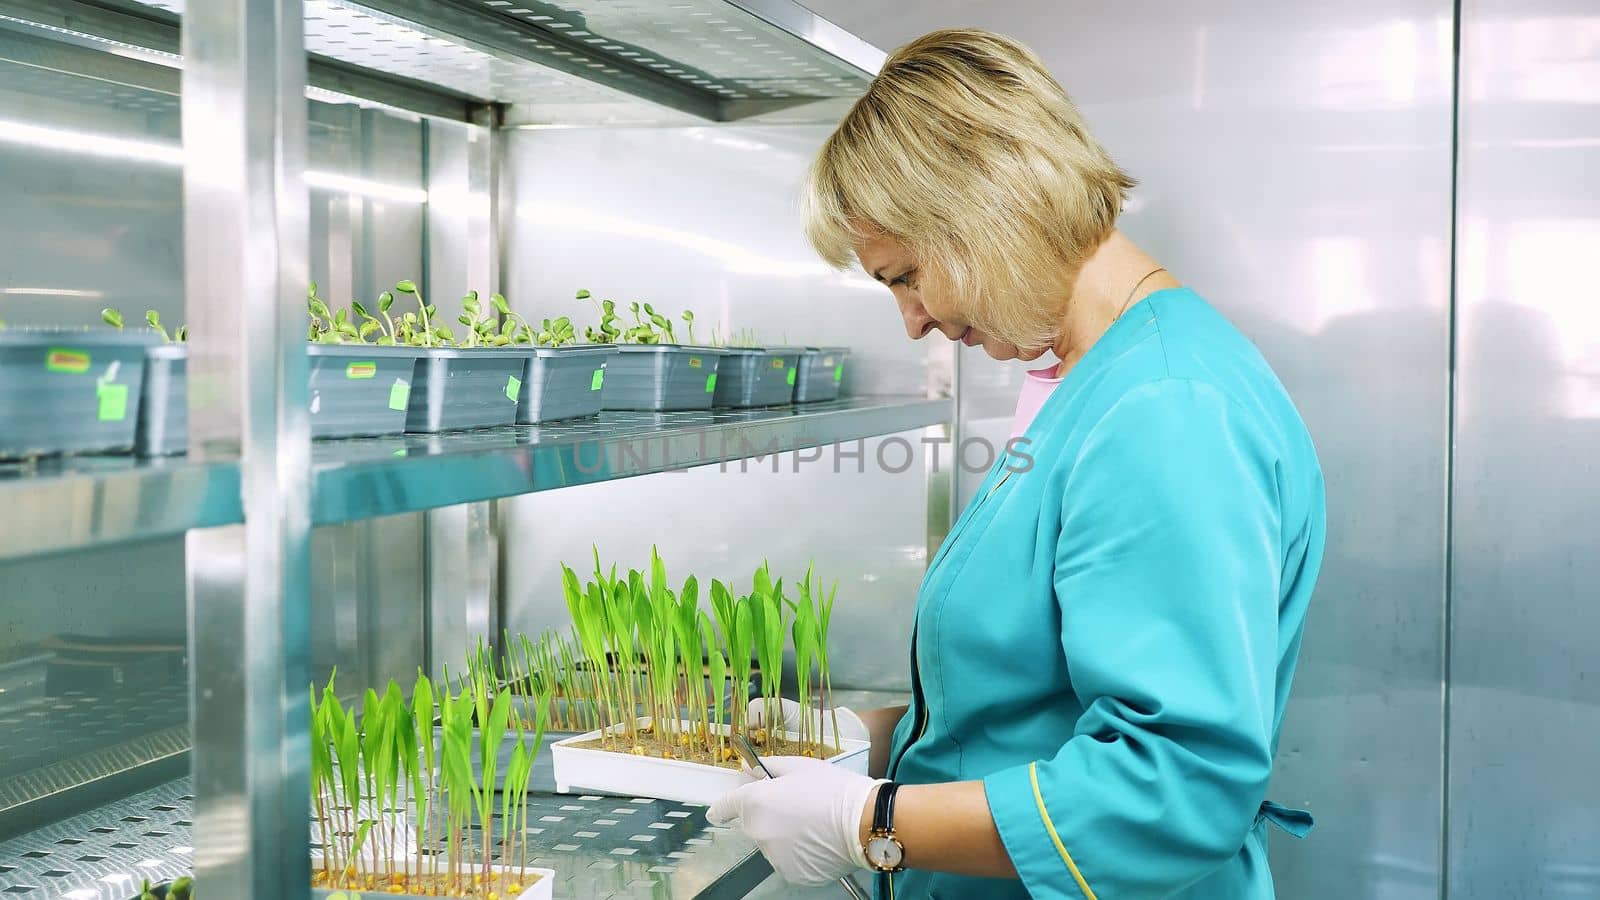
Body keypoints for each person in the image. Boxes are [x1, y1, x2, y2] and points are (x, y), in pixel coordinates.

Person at [705, 28, 1326, 900]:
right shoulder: (1099, 379)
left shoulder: (1166, 410)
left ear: (983, 209)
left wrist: (871, 822)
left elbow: (1175, 786)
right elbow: (1038, 696)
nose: (912, 321)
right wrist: (859, 740)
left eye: (907, 274)